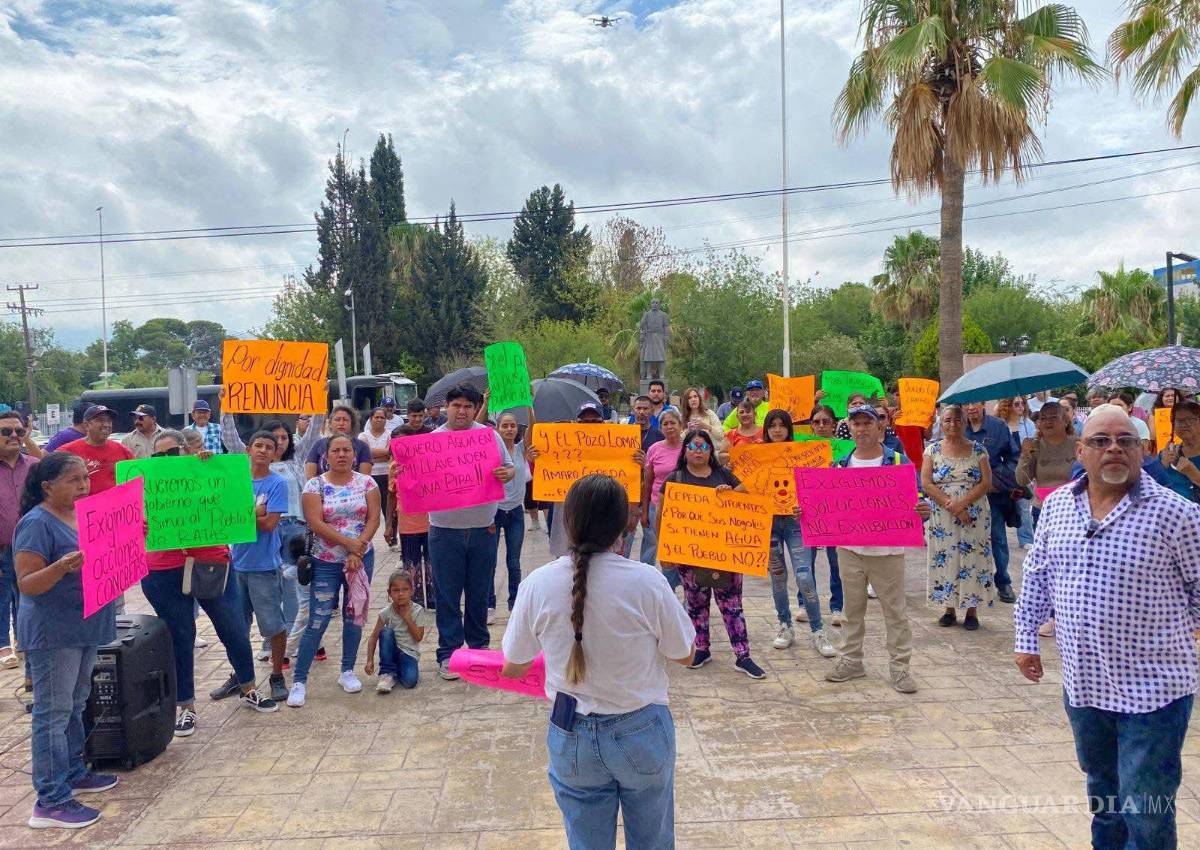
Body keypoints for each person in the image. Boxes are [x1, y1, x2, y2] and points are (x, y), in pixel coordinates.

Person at [1014, 405, 1200, 850]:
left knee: (1146, 806)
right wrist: (1026, 640)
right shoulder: (1057, 506)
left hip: (1155, 692)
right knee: (1103, 792)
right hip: (1085, 686)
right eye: (1101, 440)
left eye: (1125, 440)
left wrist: (1172, 637)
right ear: (1081, 451)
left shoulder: (1177, 515)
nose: (1113, 448)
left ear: (1142, 450)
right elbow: (1038, 574)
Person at [501, 473, 695, 850]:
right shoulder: (647, 581)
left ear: (568, 522)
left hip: (571, 732)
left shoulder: (537, 584)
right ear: (624, 522)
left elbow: (514, 664)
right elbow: (685, 654)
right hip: (642, 729)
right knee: (653, 840)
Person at [140, 431, 278, 737]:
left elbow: (237, 485)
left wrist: (210, 467)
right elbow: (127, 520)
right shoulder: (143, 482)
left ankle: (249, 687)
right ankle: (185, 707)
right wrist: (139, 522)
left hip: (211, 563)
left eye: (172, 452)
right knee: (180, 637)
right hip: (163, 568)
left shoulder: (208, 470)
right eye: (158, 456)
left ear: (187, 450)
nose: (166, 460)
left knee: (234, 629)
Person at [14, 453, 119, 830]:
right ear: (47, 486)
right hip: (54, 632)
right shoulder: (36, 524)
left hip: (83, 625)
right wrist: (60, 568)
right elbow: (27, 583)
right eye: (73, 480)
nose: (83, 486)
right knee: (52, 714)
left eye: (84, 479)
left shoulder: (84, 514)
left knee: (75, 704)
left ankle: (73, 770)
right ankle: (51, 799)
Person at [824, 406, 929, 693]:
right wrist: (806, 512)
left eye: (867, 423)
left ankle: (900, 668)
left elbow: (919, 501)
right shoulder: (840, 466)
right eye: (856, 423)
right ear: (850, 428)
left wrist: (923, 510)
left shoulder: (897, 461)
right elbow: (828, 505)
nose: (862, 429)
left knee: (895, 612)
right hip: (850, 549)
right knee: (851, 610)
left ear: (879, 427)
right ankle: (851, 660)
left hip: (888, 552)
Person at [657, 428, 766, 679]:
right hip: (689, 554)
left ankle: (743, 654)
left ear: (711, 451)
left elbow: (750, 501)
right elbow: (663, 515)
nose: (697, 451)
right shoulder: (676, 478)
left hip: (724, 554)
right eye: (693, 446)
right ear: (684, 451)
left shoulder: (723, 474)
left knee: (732, 605)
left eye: (703, 446)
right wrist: (665, 549)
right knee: (696, 604)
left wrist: (731, 493)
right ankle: (702, 649)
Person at [426, 385, 514, 681]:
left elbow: (509, 468)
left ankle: (479, 651)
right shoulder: (431, 442)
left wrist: (506, 473)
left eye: (467, 406)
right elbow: (418, 480)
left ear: (475, 408)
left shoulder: (489, 437)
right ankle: (449, 653)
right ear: (446, 407)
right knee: (447, 595)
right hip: (444, 529)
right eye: (456, 405)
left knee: (479, 593)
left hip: (483, 527)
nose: (461, 411)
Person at [220, 411, 325, 658]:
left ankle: (289, 638)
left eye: (282, 438)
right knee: (263, 590)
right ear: (252, 448)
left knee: (290, 586)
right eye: (271, 439)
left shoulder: (295, 460)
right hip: (257, 538)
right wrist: (226, 409)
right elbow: (231, 439)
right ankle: (270, 642)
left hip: (292, 528)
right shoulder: (246, 468)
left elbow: (312, 433)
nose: (278, 443)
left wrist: (319, 407)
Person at [288, 433, 381, 706]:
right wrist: (349, 545)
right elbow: (315, 523)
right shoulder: (314, 486)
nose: (341, 455)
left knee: (354, 616)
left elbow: (374, 518)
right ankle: (299, 680)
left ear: (355, 454)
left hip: (360, 560)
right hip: (325, 561)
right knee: (317, 619)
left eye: (347, 450)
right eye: (336, 450)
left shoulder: (367, 483)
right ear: (326, 456)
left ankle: (347, 670)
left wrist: (357, 549)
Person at [761, 410, 835, 657]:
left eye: (782, 425)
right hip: (769, 524)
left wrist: (804, 504)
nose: (778, 430)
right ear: (767, 429)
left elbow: (817, 487)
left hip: (796, 523)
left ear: (789, 429)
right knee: (778, 577)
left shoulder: (802, 455)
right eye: (773, 426)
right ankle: (785, 625)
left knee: (805, 576)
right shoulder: (757, 456)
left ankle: (818, 629)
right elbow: (747, 485)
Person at [226, 431, 289, 703]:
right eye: (258, 445)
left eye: (269, 447)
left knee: (273, 624)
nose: (263, 451)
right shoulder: (234, 480)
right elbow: (219, 514)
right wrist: (254, 513)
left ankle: (277, 675)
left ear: (275, 454)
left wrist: (239, 514)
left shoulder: (278, 483)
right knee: (235, 627)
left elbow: (269, 524)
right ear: (248, 449)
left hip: (264, 567)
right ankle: (240, 675)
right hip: (235, 565)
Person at [921, 405, 994, 631]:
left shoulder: (978, 450)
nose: (953, 424)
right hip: (942, 515)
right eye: (947, 420)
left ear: (965, 423)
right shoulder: (932, 451)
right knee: (945, 557)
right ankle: (949, 608)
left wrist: (963, 504)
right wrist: (952, 505)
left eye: (957, 420)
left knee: (973, 558)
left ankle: (972, 610)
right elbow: (926, 483)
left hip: (974, 512)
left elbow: (985, 482)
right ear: (941, 424)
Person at [962, 401, 1018, 604]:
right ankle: (972, 582)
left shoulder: (998, 427)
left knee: (997, 537)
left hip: (993, 493)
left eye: (975, 403)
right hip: (965, 494)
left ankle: (1003, 581)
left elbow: (1013, 457)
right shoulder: (957, 427)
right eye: (966, 405)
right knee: (967, 538)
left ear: (983, 404)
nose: (971, 408)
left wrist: (1000, 479)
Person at [0, 410, 38, 669]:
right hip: (2, 547)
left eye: (19, 431)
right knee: (2, 596)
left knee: (27, 597)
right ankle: (3, 643)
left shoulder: (35, 467)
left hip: (32, 546)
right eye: (6, 432)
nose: (14, 436)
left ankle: (25, 642)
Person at [492, 410, 532, 620]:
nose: (509, 429)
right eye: (504, 425)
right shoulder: (491, 449)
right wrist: (486, 403)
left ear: (518, 428)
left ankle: (514, 603)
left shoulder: (521, 449)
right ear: (497, 428)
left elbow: (532, 430)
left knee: (513, 561)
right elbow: (474, 432)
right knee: (490, 561)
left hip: (516, 511)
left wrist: (530, 406)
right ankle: (489, 604)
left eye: (512, 426)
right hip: (495, 510)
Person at [806, 404, 843, 625]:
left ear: (834, 425)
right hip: (809, 511)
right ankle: (804, 603)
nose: (821, 426)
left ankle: (837, 605)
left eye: (825, 422)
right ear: (811, 425)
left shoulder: (845, 450)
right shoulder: (802, 449)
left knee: (836, 561)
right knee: (806, 562)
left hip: (836, 512)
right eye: (817, 422)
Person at [640, 409, 684, 589]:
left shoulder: (690, 447)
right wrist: (644, 511)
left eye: (673, 423)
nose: (669, 427)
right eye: (665, 424)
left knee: (683, 551)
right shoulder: (654, 449)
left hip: (684, 509)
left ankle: (688, 593)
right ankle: (669, 590)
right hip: (657, 507)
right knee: (665, 551)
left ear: (681, 425)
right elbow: (648, 481)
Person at [364, 570, 428, 692]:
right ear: (389, 593)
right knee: (386, 631)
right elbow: (373, 637)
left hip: (409, 653)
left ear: (411, 591)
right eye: (396, 590)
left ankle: (397, 669)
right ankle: (387, 673)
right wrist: (369, 660)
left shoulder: (417, 611)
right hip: (391, 652)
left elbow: (418, 637)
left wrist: (407, 619)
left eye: (405, 589)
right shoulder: (386, 612)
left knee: (410, 682)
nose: (400, 594)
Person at [1016, 402, 1078, 525]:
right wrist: (1024, 456)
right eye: (1043, 418)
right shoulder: (1034, 446)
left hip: (1074, 509)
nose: (1048, 421)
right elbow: (1021, 480)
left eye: (1054, 417)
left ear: (1065, 421)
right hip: (1042, 509)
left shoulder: (1078, 445)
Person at [60, 405, 133, 495]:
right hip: (84, 507)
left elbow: (136, 479)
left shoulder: (123, 451)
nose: (106, 424)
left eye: (109, 421)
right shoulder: (67, 452)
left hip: (118, 507)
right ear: (87, 425)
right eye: (100, 420)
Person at [997, 397, 1037, 548]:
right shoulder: (1000, 425)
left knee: (1023, 505)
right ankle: (998, 538)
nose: (1021, 407)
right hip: (1002, 471)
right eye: (1016, 404)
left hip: (1022, 469)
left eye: (1023, 403)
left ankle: (1026, 539)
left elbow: (1034, 448)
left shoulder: (1029, 424)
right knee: (1000, 505)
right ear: (1008, 406)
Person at [305, 405, 373, 477]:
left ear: (352, 424)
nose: (341, 423)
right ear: (330, 423)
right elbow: (310, 475)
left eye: (345, 420)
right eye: (337, 419)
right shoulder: (319, 444)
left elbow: (365, 479)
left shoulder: (362, 446)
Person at [1159, 399, 1200, 502]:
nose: (1185, 424)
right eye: (1179, 421)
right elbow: (1153, 487)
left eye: (1191, 419)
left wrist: (1195, 475)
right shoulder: (1166, 454)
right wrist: (1162, 465)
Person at [680, 387, 727, 454]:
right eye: (689, 398)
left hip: (711, 453)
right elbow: (678, 441)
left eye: (695, 396)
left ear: (699, 399)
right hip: (691, 455)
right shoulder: (682, 418)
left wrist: (707, 427)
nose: (693, 399)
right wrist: (687, 431)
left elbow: (721, 435)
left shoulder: (709, 413)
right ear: (686, 402)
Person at [359, 406, 393, 495]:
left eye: (382, 417)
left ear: (386, 420)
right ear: (370, 419)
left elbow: (391, 455)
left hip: (387, 474)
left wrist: (371, 458)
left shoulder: (391, 435)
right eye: (376, 417)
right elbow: (365, 454)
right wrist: (386, 452)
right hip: (369, 475)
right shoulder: (363, 436)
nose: (379, 420)